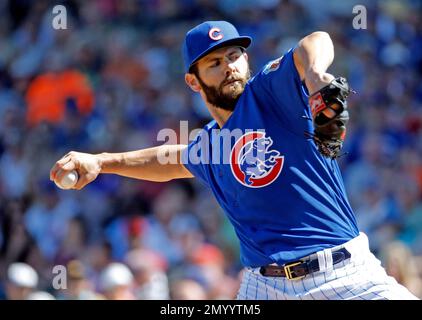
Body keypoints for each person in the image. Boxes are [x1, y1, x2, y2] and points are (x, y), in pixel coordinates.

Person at [50, 21, 418, 300]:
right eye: (214, 62)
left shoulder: (272, 94)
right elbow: (169, 159)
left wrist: (318, 75)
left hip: (345, 275)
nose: (229, 66)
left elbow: (314, 41)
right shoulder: (210, 144)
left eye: (234, 56)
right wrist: (101, 160)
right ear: (193, 82)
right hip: (264, 288)